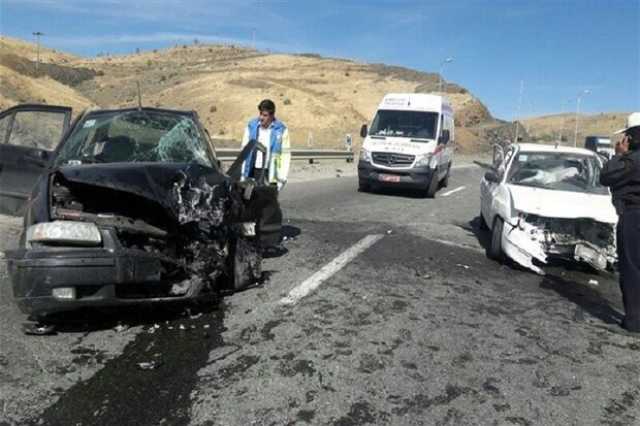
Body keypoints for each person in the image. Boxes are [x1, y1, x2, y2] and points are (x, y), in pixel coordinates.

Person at [600, 112, 640, 333]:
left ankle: (634, 321)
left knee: (632, 268)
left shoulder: (632, 161)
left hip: (634, 217)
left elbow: (606, 176)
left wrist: (618, 155)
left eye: (627, 136)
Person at [241, 99, 291, 190]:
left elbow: (285, 155)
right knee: (250, 200)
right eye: (260, 114)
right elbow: (244, 151)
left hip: (271, 172)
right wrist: (243, 174)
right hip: (254, 171)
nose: (261, 117)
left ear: (272, 116)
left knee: (269, 202)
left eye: (265, 115)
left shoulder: (281, 130)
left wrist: (282, 178)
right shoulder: (251, 126)